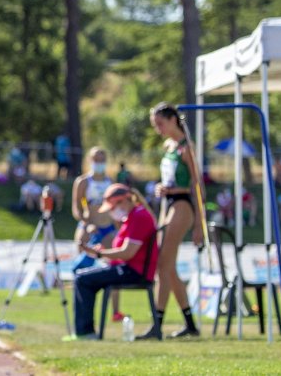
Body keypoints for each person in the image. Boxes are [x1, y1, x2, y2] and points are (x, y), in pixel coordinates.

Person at [138, 103, 205, 340]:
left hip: (182, 205)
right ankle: (189, 323)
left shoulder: (187, 147)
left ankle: (157, 322)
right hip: (168, 204)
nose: (158, 129)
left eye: (160, 123)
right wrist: (161, 188)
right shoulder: (169, 146)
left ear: (173, 120)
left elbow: (196, 185)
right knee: (168, 267)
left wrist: (199, 223)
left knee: (163, 264)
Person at [71, 184, 158, 340]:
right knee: (84, 277)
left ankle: (85, 332)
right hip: (127, 268)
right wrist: (101, 253)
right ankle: (85, 330)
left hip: (134, 272)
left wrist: (99, 253)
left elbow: (127, 253)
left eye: (112, 207)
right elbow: (122, 251)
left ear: (123, 201)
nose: (112, 212)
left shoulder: (139, 216)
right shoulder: (131, 217)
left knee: (82, 279)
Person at [71, 147, 122, 320]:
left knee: (113, 266)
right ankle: (82, 311)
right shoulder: (83, 182)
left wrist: (117, 227)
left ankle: (115, 311)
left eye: (102, 159)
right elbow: (77, 207)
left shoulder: (111, 182)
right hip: (89, 228)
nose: (99, 163)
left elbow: (118, 207)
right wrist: (86, 223)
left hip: (108, 228)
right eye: (95, 159)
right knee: (82, 270)